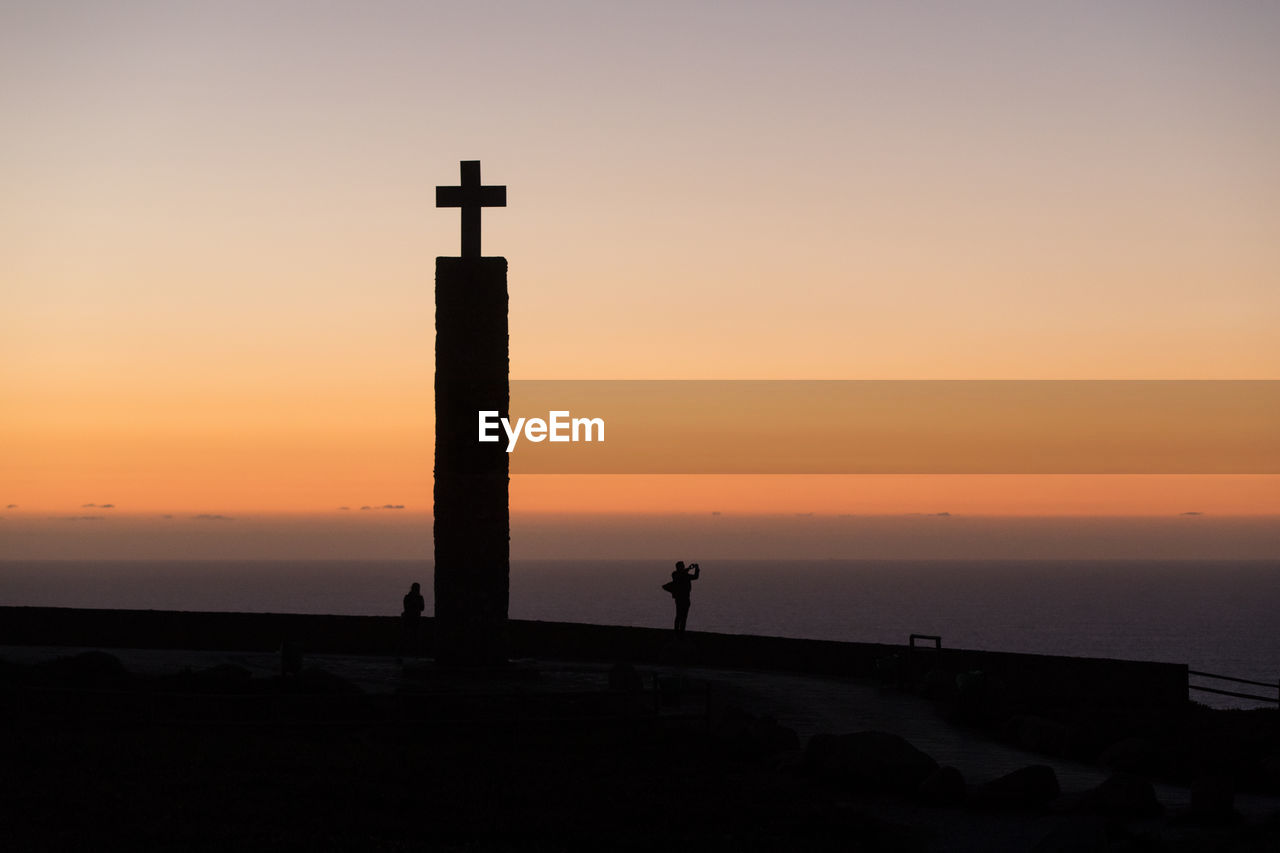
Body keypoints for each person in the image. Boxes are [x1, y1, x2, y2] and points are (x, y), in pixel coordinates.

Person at [663, 560, 700, 635]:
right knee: (681, 616)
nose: (684, 567)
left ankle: (678, 632)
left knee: (680, 616)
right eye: (683, 566)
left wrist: (692, 569)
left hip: (681, 599)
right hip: (683, 599)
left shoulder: (677, 575)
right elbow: (694, 576)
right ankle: (679, 633)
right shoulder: (680, 575)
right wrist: (694, 569)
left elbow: (693, 576)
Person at [398, 581, 425, 661]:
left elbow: (405, 607)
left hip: (407, 619)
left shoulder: (407, 597)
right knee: (416, 638)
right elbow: (422, 608)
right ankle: (416, 655)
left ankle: (400, 654)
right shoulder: (420, 598)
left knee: (404, 637)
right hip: (416, 619)